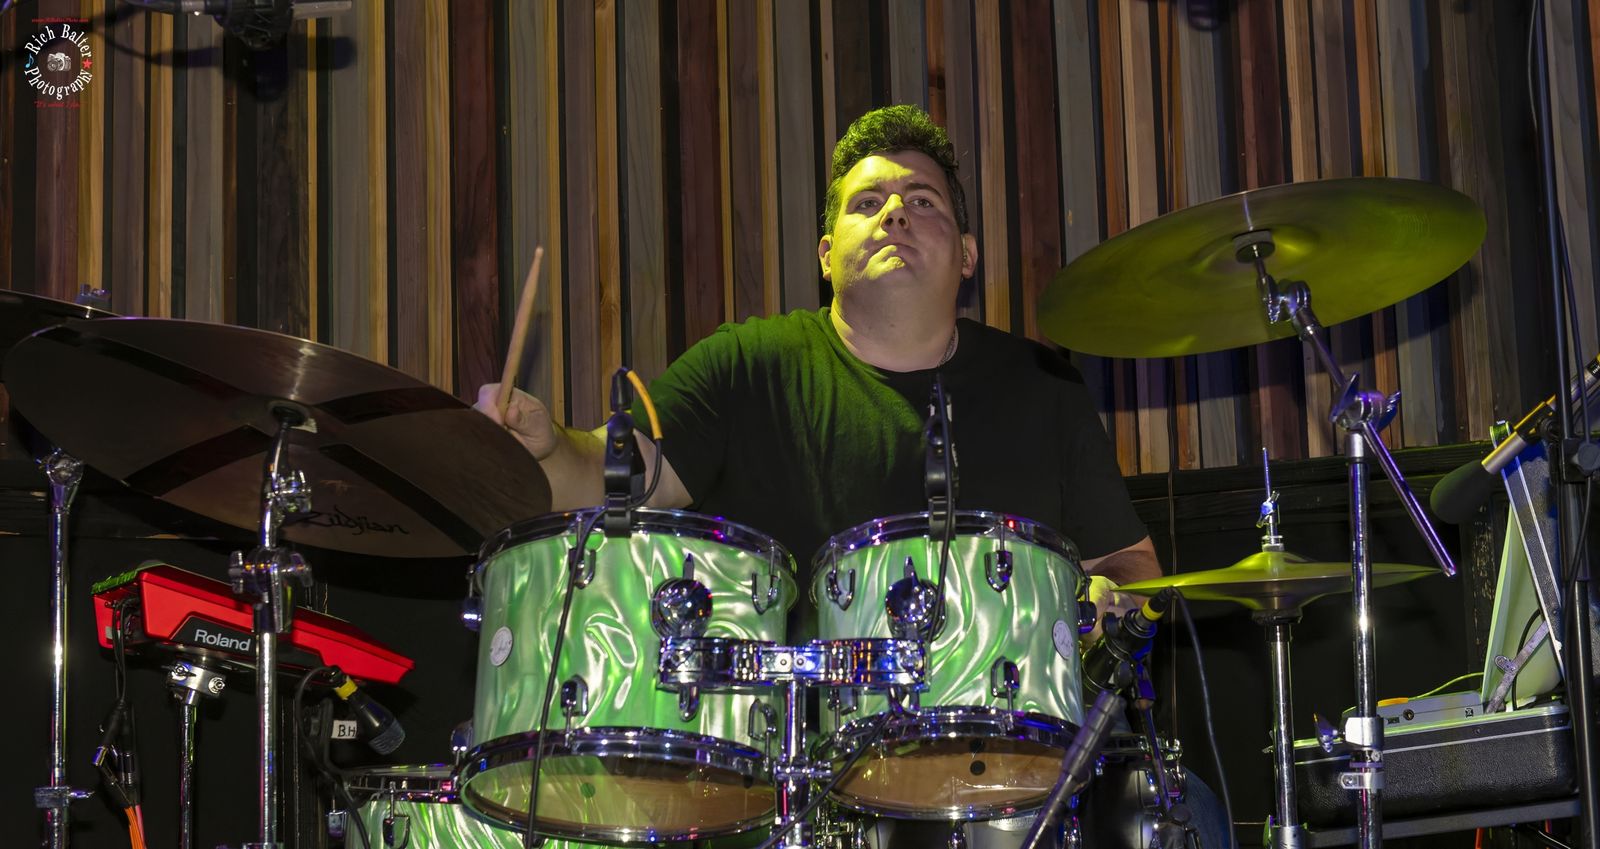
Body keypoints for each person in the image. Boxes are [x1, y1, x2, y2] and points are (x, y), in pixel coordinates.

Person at [476, 105, 1228, 848]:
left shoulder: (1042, 386)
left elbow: (1132, 567)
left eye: (922, 202)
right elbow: (618, 477)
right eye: (868, 203)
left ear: (967, 254)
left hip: (1023, 767)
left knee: (1178, 807)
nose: (895, 213)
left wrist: (1107, 599)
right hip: (801, 780)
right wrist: (543, 448)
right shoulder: (748, 365)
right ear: (827, 253)